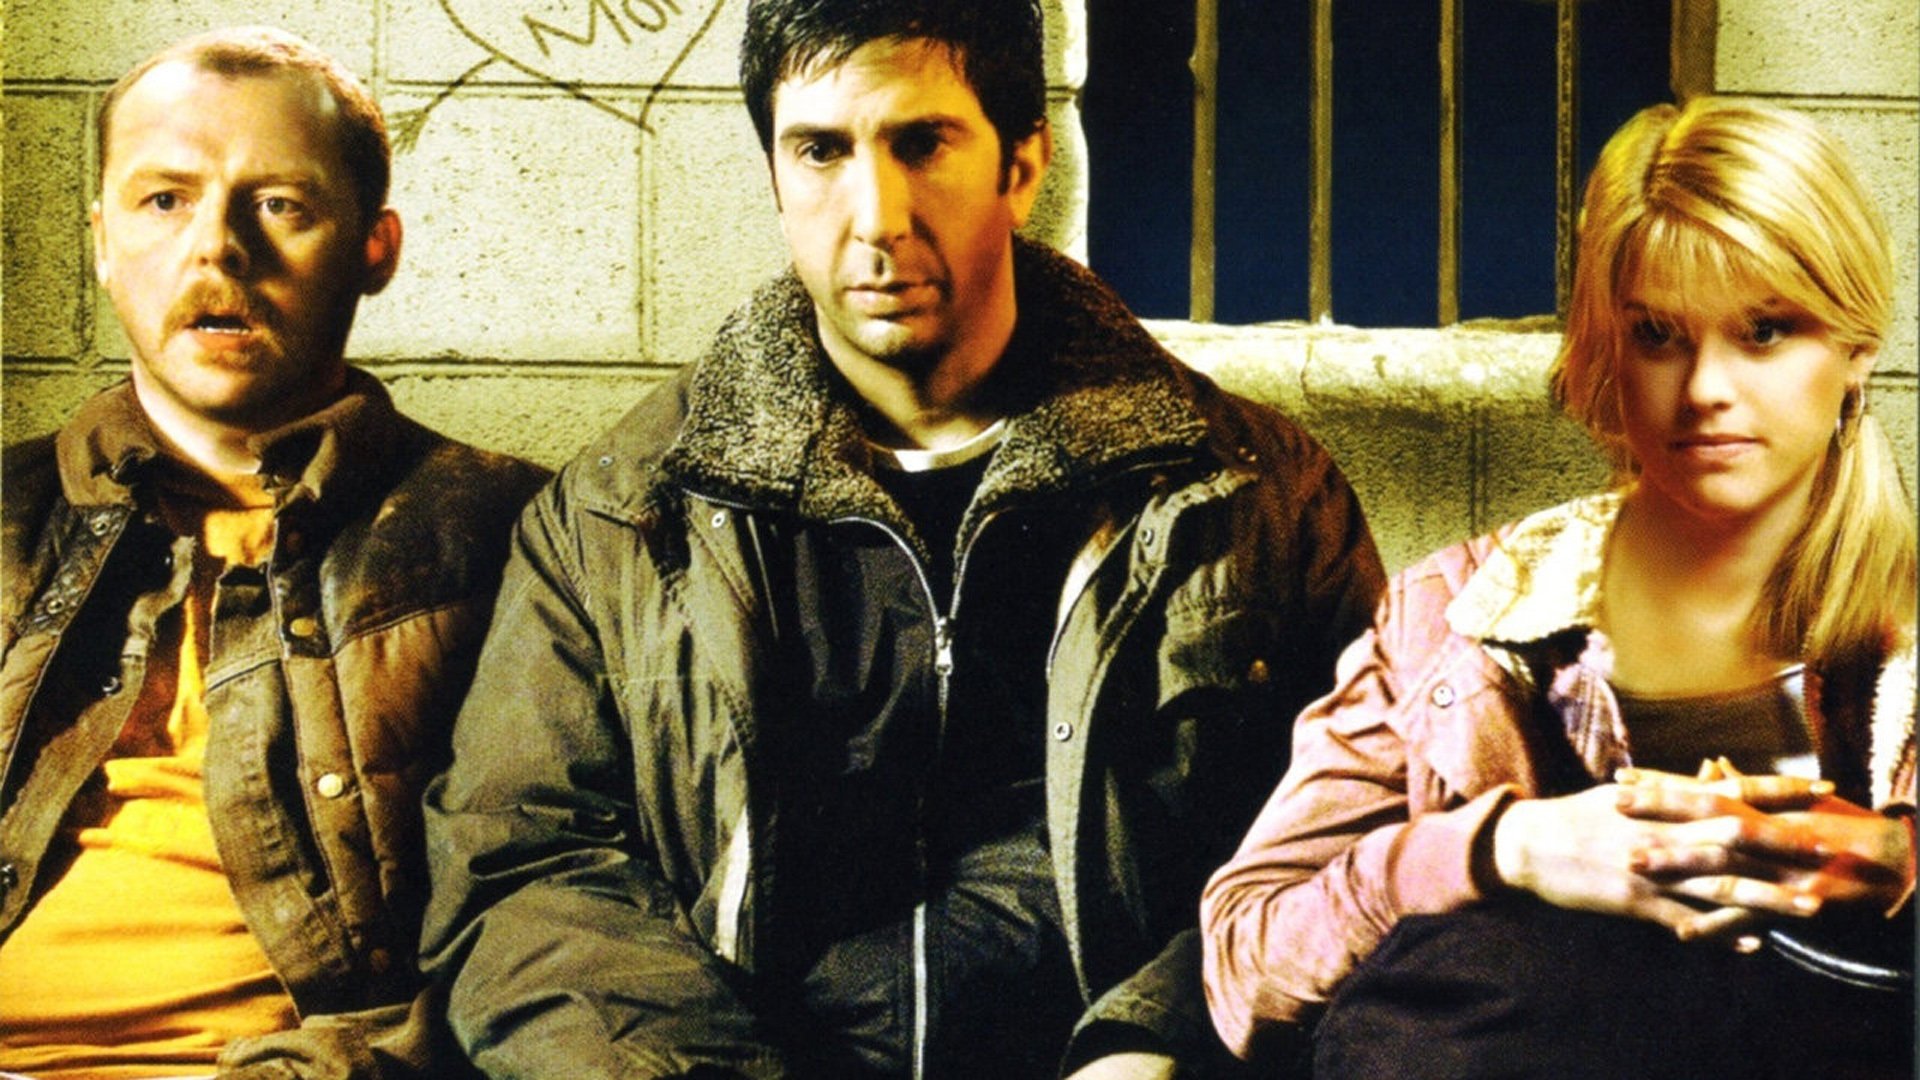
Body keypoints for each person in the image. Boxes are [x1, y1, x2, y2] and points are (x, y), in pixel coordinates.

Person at [419, 0, 1384, 1075]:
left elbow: (1357, 824)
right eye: (821, 151)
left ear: (1023, 165)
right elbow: (524, 872)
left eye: (922, 144)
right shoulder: (627, 514)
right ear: (774, 175)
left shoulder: (1247, 493)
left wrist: (1161, 1034)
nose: (876, 217)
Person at [1201, 96, 1916, 1079]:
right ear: (1605, 352)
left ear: (1854, 349)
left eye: (1764, 331)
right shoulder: (1456, 614)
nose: (1707, 388)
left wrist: (1894, 865)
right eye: (1658, 334)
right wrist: (1508, 849)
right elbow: (1244, 961)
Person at [0, 27, 548, 1079]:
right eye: (164, 200)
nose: (217, 248)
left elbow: (553, 925)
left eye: (281, 205)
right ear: (102, 242)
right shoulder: (11, 519)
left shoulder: (515, 537)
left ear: (375, 249)